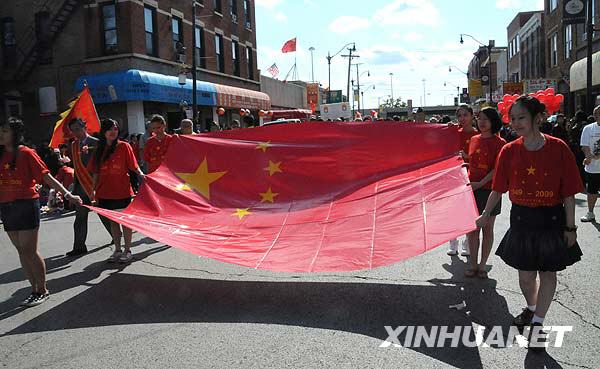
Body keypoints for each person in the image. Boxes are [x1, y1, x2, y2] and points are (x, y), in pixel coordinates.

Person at [476, 95, 583, 352]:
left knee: (548, 273)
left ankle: (537, 322)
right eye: (512, 118)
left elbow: (568, 193)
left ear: (537, 118)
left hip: (552, 220)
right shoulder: (509, 151)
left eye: (521, 117)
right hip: (522, 219)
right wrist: (485, 214)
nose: (515, 123)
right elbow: (497, 189)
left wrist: (571, 227)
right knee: (526, 279)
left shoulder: (559, 148)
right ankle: (532, 308)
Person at [0, 118, 83, 306]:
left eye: (4, 131)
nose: (1, 134)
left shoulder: (26, 153)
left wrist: (68, 194)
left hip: (26, 205)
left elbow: (47, 177)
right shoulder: (1, 155)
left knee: (29, 250)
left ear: (15, 134)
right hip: (6, 207)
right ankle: (33, 289)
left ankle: (42, 289)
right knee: (21, 250)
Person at [88, 119, 145, 264]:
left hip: (122, 191)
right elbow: (95, 173)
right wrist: (92, 191)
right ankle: (117, 249)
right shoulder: (98, 150)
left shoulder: (124, 146)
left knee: (125, 222)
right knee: (113, 222)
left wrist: (142, 175)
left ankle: (127, 250)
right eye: (109, 129)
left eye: (115, 129)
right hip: (105, 192)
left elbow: (134, 165)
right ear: (104, 132)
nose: (113, 132)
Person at [464, 108, 506, 278]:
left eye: (486, 119)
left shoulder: (500, 143)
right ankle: (473, 265)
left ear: (493, 121)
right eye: (480, 118)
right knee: (471, 230)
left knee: (487, 229)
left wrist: (480, 183)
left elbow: (497, 169)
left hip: (490, 191)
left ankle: (482, 266)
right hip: (471, 190)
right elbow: (473, 162)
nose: (482, 122)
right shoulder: (473, 139)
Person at [65, 118, 113, 257]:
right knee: (80, 217)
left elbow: (104, 164)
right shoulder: (73, 145)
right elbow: (76, 168)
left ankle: (116, 236)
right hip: (81, 187)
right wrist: (73, 189)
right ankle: (79, 246)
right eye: (73, 130)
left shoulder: (97, 143)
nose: (76, 133)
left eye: (78, 129)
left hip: (96, 184)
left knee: (103, 214)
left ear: (85, 127)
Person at [448, 105, 478, 256]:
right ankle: (453, 241)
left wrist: (468, 157)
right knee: (453, 210)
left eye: (465, 115)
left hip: (472, 178)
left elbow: (483, 159)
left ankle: (467, 242)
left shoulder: (479, 135)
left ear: (472, 116)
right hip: (454, 177)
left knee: (470, 211)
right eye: (459, 116)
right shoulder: (453, 133)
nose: (462, 119)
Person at [580, 105, 600, 222]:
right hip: (592, 168)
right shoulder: (588, 128)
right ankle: (590, 212)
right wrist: (588, 156)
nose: (597, 116)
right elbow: (585, 145)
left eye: (599, 113)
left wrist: (597, 156)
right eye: (595, 114)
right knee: (591, 191)